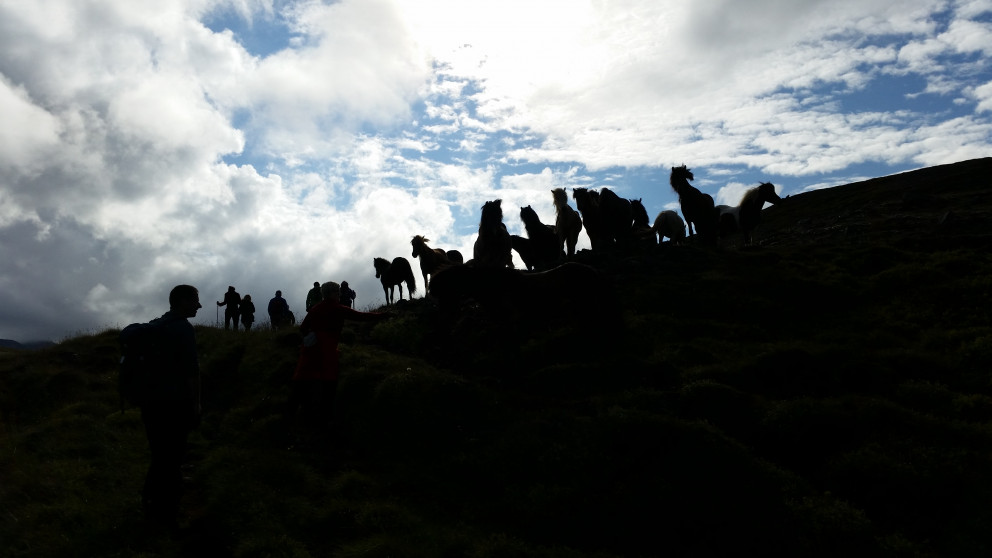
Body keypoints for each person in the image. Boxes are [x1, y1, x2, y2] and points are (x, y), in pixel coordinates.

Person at [287, 282, 389, 434]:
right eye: (338, 292)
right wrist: (384, 315)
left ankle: (290, 421)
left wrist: (311, 336)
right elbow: (361, 316)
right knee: (328, 387)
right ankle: (323, 423)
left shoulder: (315, 309)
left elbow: (303, 329)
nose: (340, 294)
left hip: (309, 351)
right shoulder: (338, 308)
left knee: (301, 385)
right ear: (333, 293)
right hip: (327, 350)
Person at [139, 284, 201, 532]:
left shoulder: (158, 323)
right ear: (182, 301)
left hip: (150, 402)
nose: (199, 305)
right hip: (174, 404)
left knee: (159, 455)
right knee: (172, 458)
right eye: (195, 300)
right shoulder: (183, 329)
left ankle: (150, 503)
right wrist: (196, 404)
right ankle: (167, 518)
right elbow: (191, 371)